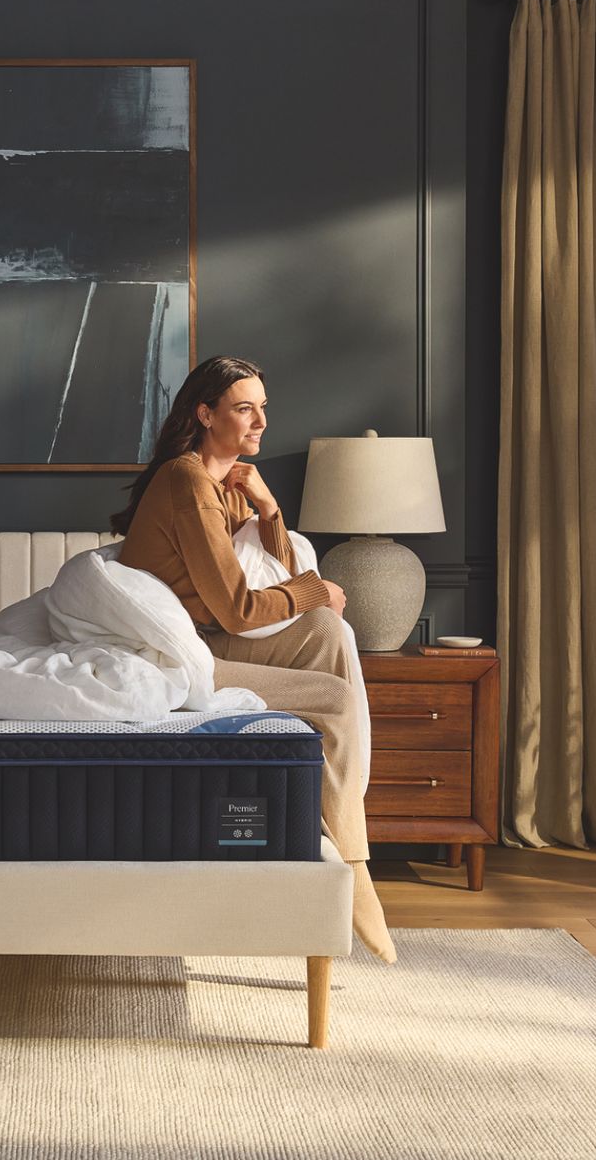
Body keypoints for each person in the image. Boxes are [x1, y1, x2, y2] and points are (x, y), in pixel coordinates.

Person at [115, 355, 396, 963]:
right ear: (206, 413)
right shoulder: (187, 480)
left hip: (212, 639)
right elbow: (242, 609)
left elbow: (284, 589)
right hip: (178, 656)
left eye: (263, 407)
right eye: (245, 408)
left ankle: (336, 819)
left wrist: (270, 511)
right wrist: (317, 588)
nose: (261, 421)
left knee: (325, 631)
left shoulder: (228, 484)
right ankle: (350, 859)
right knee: (339, 695)